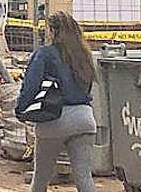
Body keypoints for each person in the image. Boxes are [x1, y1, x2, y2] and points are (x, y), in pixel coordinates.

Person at [16, 13, 97, 192]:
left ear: (53, 31)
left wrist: (21, 110)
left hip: (54, 119)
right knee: (84, 178)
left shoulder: (44, 54)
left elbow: (31, 85)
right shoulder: (84, 56)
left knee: (41, 178)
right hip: (85, 119)